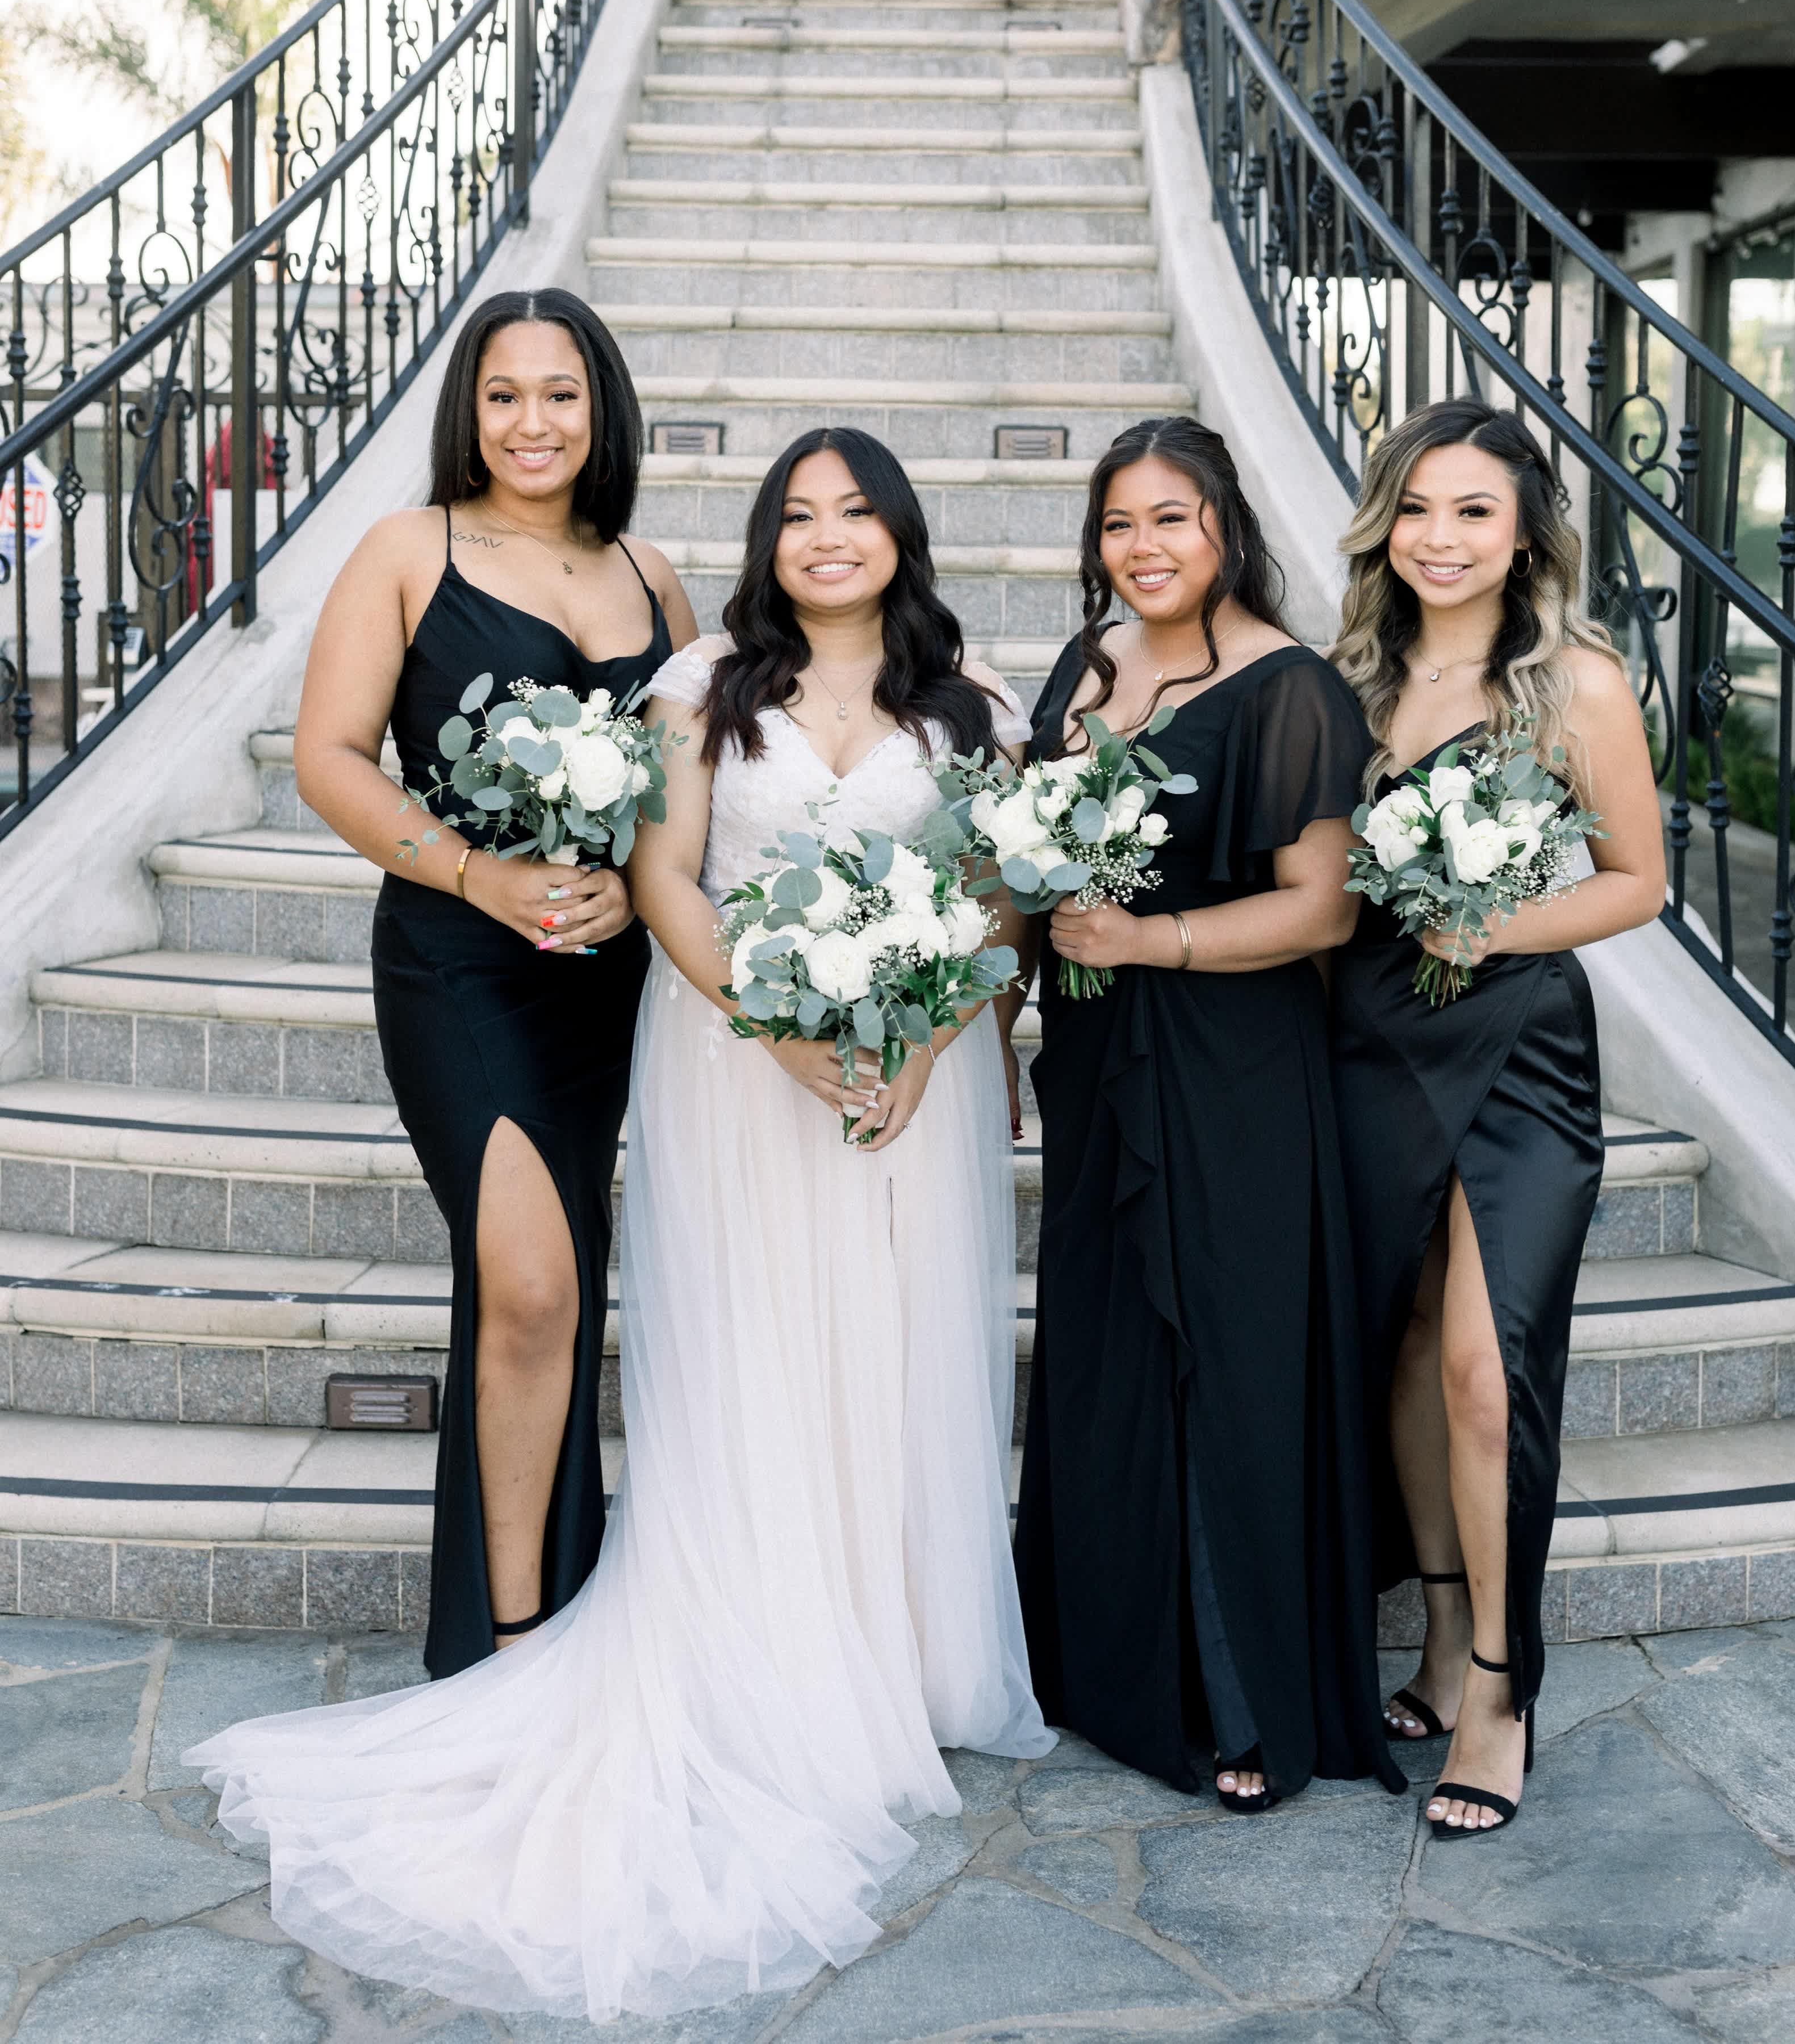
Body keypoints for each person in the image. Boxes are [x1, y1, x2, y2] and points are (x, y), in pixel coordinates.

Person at [187, 426, 1050, 2025]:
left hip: (907, 1086)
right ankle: (756, 1645)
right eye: (798, 514)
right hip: (739, 1072)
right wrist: (780, 1031)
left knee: (899, 1346)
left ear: (903, 532)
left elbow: (999, 899)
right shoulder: (702, 683)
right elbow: (666, 880)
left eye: (858, 511)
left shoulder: (974, 704)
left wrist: (932, 1042)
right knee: (754, 1351)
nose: (828, 535)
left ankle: (902, 1650)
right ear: (764, 540)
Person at [289, 286, 694, 1676]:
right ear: (468, 410)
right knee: (528, 1285)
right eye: (504, 393)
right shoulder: (411, 549)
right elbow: (329, 757)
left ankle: (540, 1602)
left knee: (562, 1276)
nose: (533, 421)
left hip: (603, 976)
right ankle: (510, 1652)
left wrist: (637, 885)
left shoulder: (650, 573)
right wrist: (477, 873)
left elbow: (684, 798)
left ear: (601, 407)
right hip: (459, 960)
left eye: (560, 393)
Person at [1011, 415, 1403, 1812]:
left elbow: (1322, 910)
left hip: (1232, 1065)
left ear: (1225, 525)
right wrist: (995, 1017)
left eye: (1169, 518)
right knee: (1110, 1350)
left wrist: (1152, 940)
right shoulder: (1087, 663)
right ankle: (1106, 1667)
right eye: (1119, 523)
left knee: (1223, 1363)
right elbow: (1027, 862)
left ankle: (1242, 1697)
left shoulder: (1290, 688)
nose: (1143, 546)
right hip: (1096, 1057)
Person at [1328, 397, 1663, 1839]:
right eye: (1414, 506)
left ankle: (1500, 1686)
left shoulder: (1574, 683)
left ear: (1525, 529)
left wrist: (1491, 922)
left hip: (1517, 1050)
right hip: (1366, 1044)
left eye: (1472, 508)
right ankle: (1439, 1627)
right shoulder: (1345, 679)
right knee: (1407, 1345)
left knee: (1484, 1366)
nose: (1440, 536)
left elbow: (1636, 880)